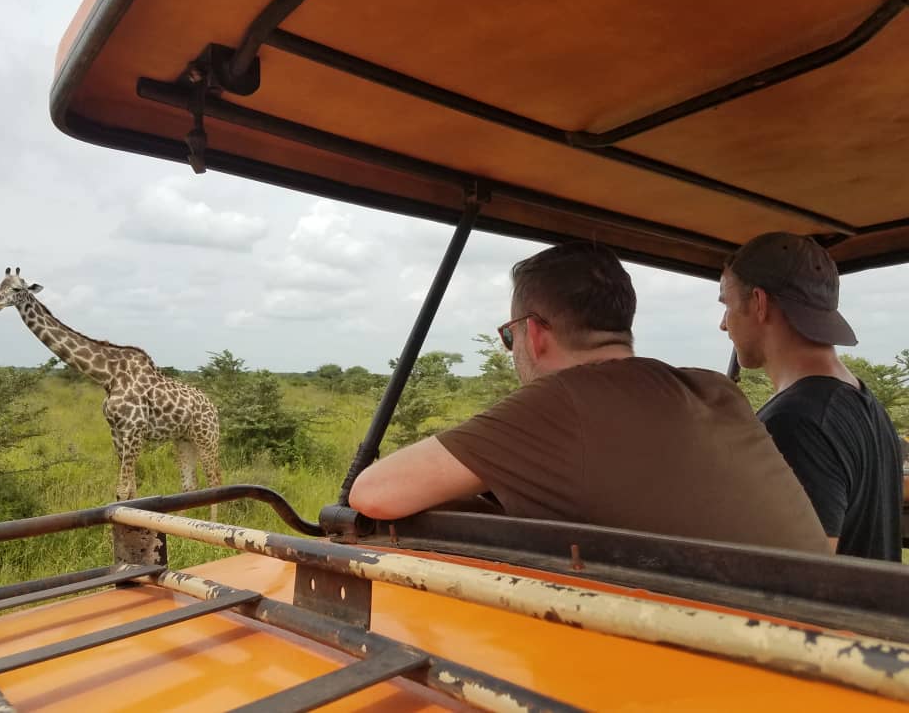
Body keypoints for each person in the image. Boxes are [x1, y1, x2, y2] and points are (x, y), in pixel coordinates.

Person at [349, 241, 830, 553]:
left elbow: (374, 494)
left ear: (533, 333)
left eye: (508, 336)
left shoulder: (561, 401)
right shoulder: (716, 390)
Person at [719, 232, 903, 560]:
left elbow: (801, 576)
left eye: (728, 305)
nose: (724, 324)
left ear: (759, 303)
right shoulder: (864, 403)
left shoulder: (796, 423)